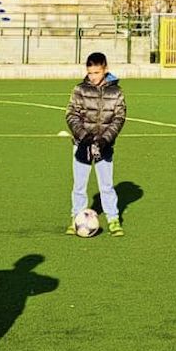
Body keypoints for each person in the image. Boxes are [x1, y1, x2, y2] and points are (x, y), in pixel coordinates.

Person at [65, 52, 126, 236]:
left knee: (106, 185)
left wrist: (104, 139)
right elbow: (71, 115)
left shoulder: (116, 92)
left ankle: (113, 218)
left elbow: (119, 118)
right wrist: (84, 137)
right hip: (82, 144)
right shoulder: (80, 90)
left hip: (104, 146)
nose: (93, 77)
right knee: (79, 185)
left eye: (97, 73)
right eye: (90, 73)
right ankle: (76, 217)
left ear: (105, 69)